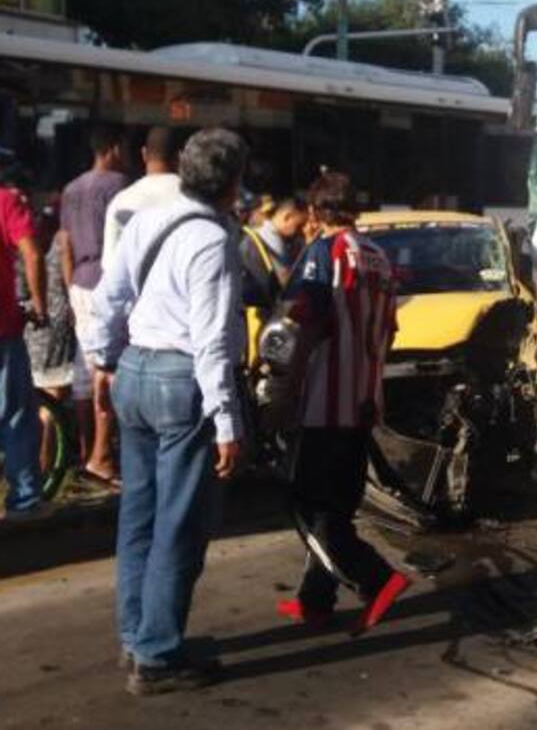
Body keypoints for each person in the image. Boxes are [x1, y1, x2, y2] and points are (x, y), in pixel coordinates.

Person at [87, 128, 247, 695]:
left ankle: (137, 636)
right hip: (182, 384)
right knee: (179, 525)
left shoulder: (150, 218)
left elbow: (110, 297)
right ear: (232, 182)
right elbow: (211, 341)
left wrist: (102, 361)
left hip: (134, 370)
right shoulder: (213, 239)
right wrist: (227, 423)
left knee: (139, 516)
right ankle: (157, 655)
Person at [275, 171, 410, 634]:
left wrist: (290, 392)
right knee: (336, 504)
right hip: (363, 401)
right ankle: (316, 600)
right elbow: (390, 332)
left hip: (322, 404)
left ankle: (377, 579)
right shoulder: (379, 258)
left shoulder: (324, 252)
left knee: (307, 503)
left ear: (314, 213)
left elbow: (307, 327)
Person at [61, 124, 128, 487]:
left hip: (79, 283)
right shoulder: (118, 186)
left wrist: (70, 286)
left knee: (85, 373)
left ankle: (87, 451)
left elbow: (65, 243)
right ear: (113, 148)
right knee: (107, 368)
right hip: (106, 281)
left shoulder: (71, 189)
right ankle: (101, 457)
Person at [0, 167, 48, 520]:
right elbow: (31, 253)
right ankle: (25, 499)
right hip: (2, 327)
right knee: (15, 413)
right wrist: (39, 303)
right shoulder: (7, 202)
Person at [19, 200, 75, 476]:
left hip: (29, 323)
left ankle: (36, 469)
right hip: (53, 321)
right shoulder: (62, 239)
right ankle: (44, 468)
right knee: (52, 397)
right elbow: (70, 282)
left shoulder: (18, 244)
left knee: (36, 396)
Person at [100, 126, 183, 274]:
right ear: (179, 157)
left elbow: (110, 266)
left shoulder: (121, 201)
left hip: (137, 293)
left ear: (144, 154)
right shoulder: (194, 197)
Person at [240, 196, 305, 310]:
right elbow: (286, 283)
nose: (302, 231)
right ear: (287, 216)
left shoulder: (260, 235)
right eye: (299, 226)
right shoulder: (271, 239)